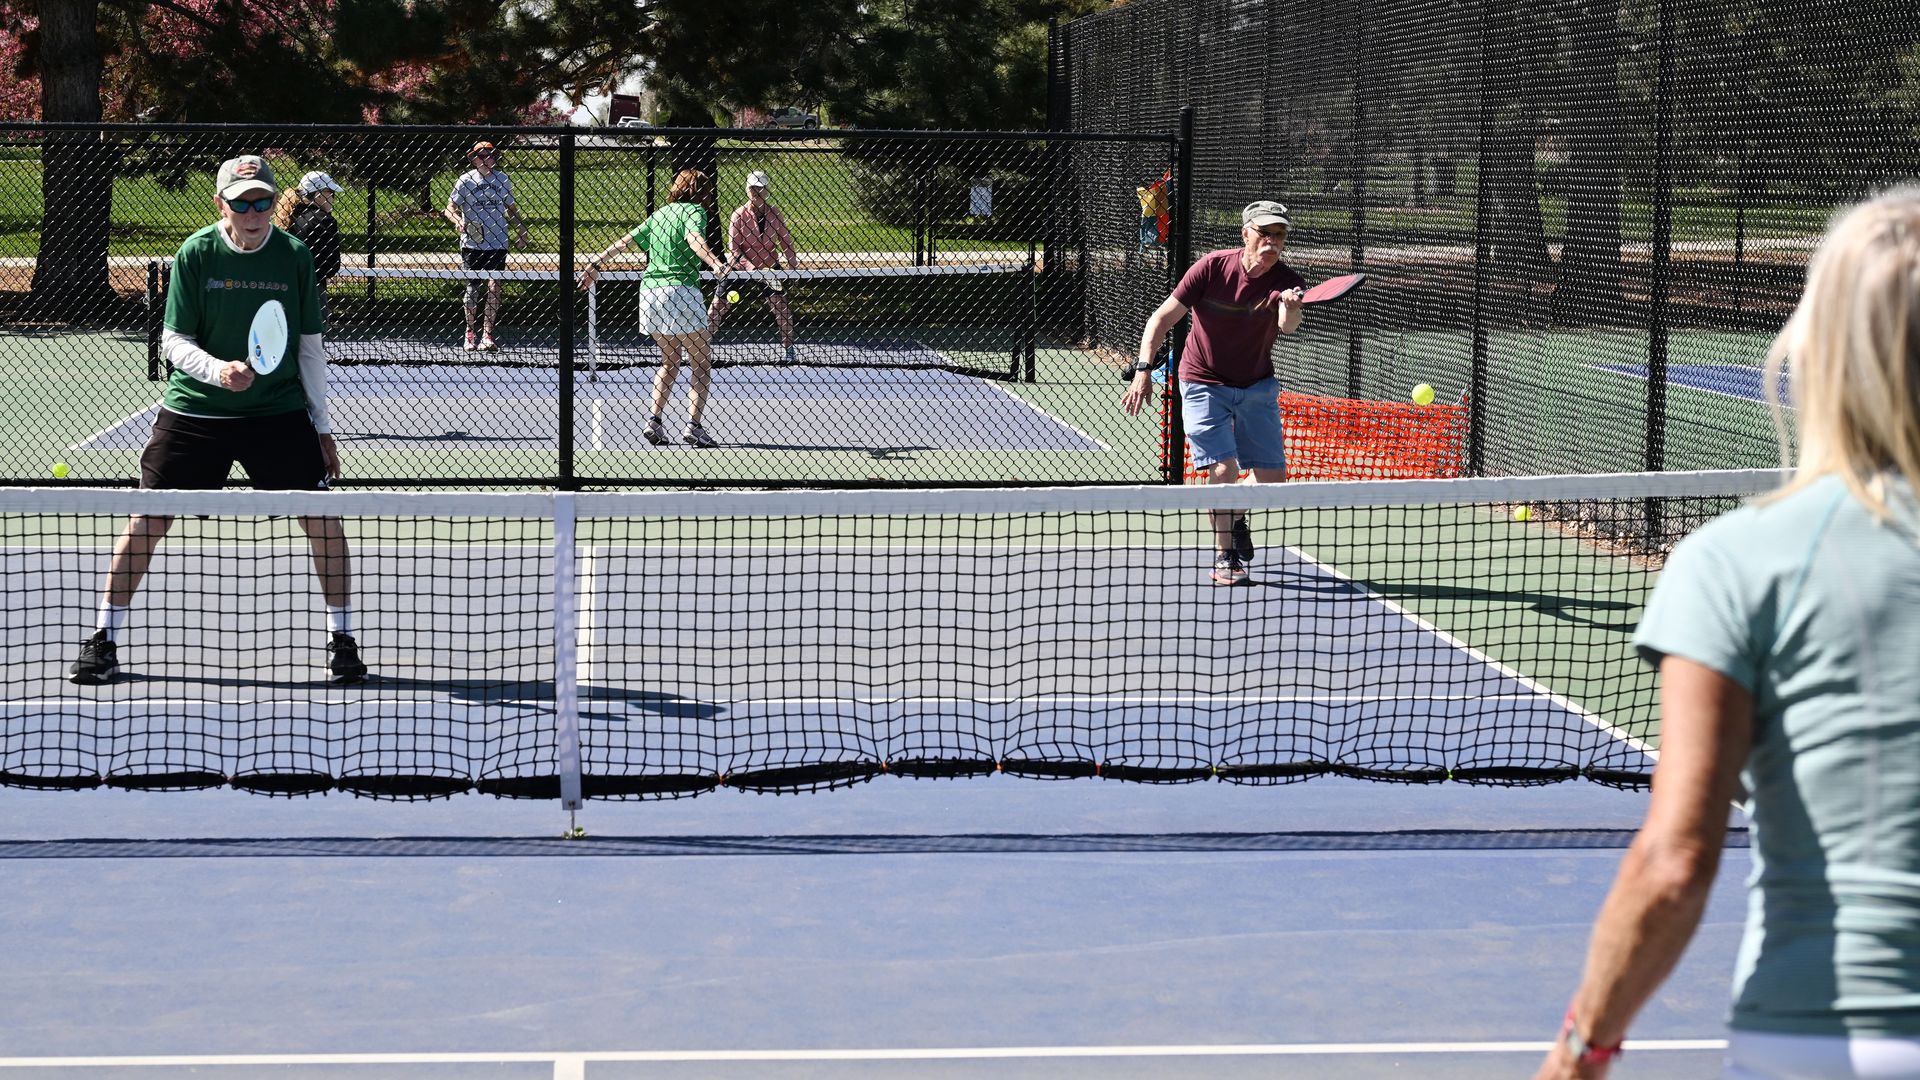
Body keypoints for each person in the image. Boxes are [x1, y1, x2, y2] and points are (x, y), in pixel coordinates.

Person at [1533, 189, 1920, 1080]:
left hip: (1827, 1039)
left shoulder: (1735, 561)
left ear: (1819, 350)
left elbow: (1676, 863)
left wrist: (1581, 1051)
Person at [68, 154, 366, 687]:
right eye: (241, 201)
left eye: (263, 201)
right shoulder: (196, 253)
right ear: (221, 203)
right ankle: (103, 639)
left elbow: (309, 347)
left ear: (277, 202)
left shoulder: (294, 255)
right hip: (194, 409)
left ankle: (341, 639)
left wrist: (322, 427)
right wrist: (217, 370)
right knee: (149, 518)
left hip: (277, 411)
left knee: (322, 518)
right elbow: (174, 341)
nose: (253, 212)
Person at [1120, 200, 1305, 585]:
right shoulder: (1211, 268)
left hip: (1256, 385)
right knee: (1224, 468)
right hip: (1203, 381)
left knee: (1273, 480)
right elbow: (1163, 317)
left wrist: (1290, 305)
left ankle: (1236, 513)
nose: (1271, 242)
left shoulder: (1287, 280)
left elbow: (1288, 327)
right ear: (1246, 235)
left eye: (1279, 235)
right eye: (1264, 234)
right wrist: (1144, 369)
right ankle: (1225, 556)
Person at [578, 169, 731, 448]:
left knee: (670, 361)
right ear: (702, 193)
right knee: (701, 362)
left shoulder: (660, 214)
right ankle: (694, 427)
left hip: (649, 295)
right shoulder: (695, 211)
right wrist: (715, 263)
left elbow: (624, 241)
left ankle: (655, 422)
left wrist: (595, 264)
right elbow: (694, 238)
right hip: (680, 292)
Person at [442, 140, 530, 352]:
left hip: (498, 242)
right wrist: (458, 221)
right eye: (482, 155)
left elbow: (511, 208)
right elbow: (449, 208)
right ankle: (469, 332)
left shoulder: (502, 179)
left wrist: (522, 229)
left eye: (490, 154)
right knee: (472, 289)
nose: (487, 158)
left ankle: (487, 334)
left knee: (495, 286)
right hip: (472, 243)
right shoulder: (465, 180)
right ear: (474, 158)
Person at [707, 170, 801, 364]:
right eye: (752, 187)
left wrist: (793, 268)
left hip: (769, 266)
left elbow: (786, 242)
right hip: (740, 269)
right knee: (717, 307)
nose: (756, 191)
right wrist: (750, 268)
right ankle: (697, 347)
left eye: (760, 187)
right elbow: (735, 249)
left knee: (781, 307)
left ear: (767, 190)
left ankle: (789, 350)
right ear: (746, 190)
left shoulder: (775, 214)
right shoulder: (738, 215)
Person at [275, 171, 344, 292]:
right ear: (319, 194)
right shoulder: (325, 220)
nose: (333, 198)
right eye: (331, 192)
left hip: (286, 285)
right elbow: (332, 266)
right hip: (314, 287)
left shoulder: (291, 216)